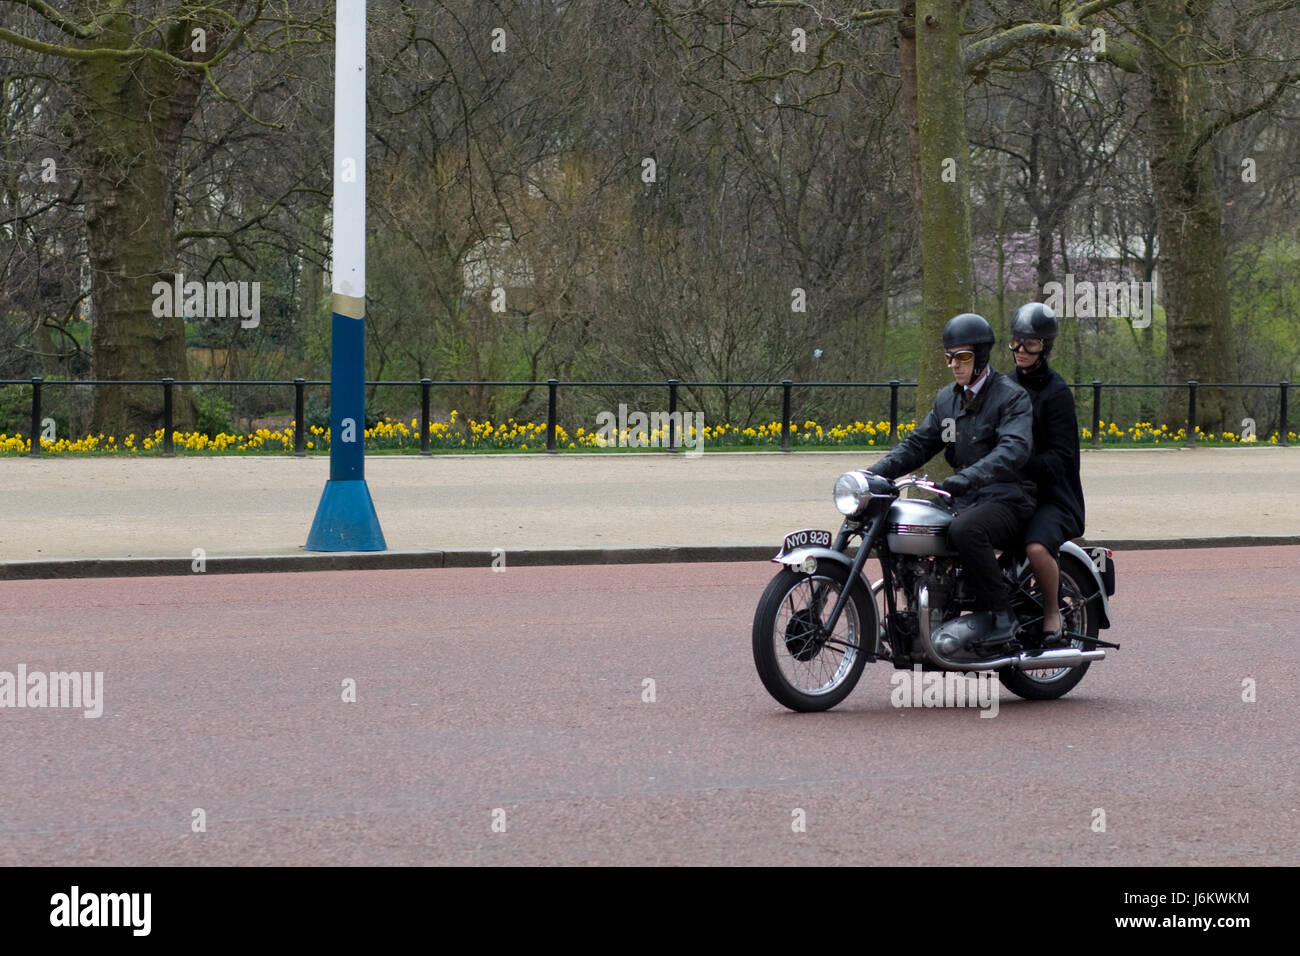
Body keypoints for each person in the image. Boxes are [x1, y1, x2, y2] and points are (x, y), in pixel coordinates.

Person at [870, 313, 1037, 645]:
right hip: (962, 496)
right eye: (950, 357)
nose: (955, 365)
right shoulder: (947, 399)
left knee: (966, 529)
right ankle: (923, 613)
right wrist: (872, 473)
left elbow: (1013, 450)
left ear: (981, 357)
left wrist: (969, 478)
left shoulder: (1010, 397)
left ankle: (1002, 616)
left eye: (963, 357)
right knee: (897, 522)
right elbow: (919, 444)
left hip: (1007, 496)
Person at [1007, 303, 1085, 644]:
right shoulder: (1004, 386)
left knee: (1037, 548)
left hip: (1053, 497)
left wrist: (1019, 462)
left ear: (1045, 347)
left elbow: (1062, 456)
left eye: (1031, 344)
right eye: (1016, 341)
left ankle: (1052, 612)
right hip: (1011, 493)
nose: (1021, 350)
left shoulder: (1057, 393)